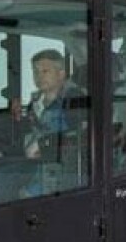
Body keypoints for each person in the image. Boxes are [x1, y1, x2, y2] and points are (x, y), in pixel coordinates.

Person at [11, 49, 87, 197]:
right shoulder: (35, 103)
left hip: (61, 167)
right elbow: (29, 134)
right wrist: (17, 119)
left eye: (45, 71)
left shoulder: (74, 98)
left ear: (61, 74)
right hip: (34, 161)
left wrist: (44, 144)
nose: (38, 76)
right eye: (35, 72)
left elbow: (82, 134)